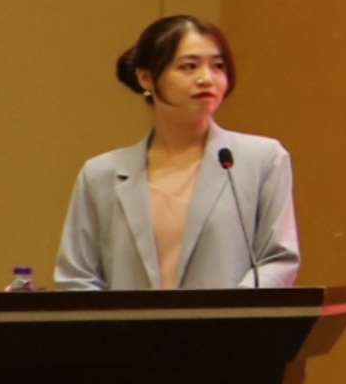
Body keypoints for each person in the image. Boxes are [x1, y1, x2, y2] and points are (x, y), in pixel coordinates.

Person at [58, 14, 301, 290]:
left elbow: (278, 259)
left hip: (228, 319)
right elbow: (77, 277)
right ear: (146, 78)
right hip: (128, 321)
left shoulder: (262, 159)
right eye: (189, 66)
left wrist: (234, 309)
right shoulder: (101, 175)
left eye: (218, 66)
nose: (206, 79)